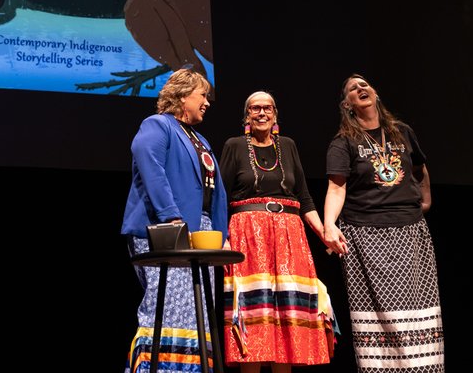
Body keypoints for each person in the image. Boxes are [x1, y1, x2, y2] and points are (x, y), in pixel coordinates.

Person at [322, 74, 444, 372]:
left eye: (364, 84)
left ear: (375, 93)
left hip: (409, 232)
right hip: (366, 235)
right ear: (347, 104)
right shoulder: (344, 142)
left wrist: (424, 200)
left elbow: (420, 168)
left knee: (418, 311)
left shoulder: (402, 132)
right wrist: (329, 226)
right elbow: (337, 189)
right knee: (380, 316)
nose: (361, 89)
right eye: (353, 88)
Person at [218, 91, 338, 373]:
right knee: (253, 314)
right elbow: (220, 197)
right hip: (248, 235)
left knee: (287, 317)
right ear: (246, 116)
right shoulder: (234, 145)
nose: (262, 113)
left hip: (289, 235)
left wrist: (323, 231)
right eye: (255, 108)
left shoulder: (288, 145)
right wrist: (221, 236)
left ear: (275, 114)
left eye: (267, 108)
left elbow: (304, 197)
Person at [121, 68, 229, 373]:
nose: (207, 102)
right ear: (183, 95)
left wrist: (221, 233)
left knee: (199, 313)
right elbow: (150, 165)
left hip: (201, 232)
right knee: (168, 306)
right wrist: (172, 217)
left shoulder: (200, 139)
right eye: (203, 95)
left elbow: (214, 192)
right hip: (165, 229)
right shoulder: (158, 125)